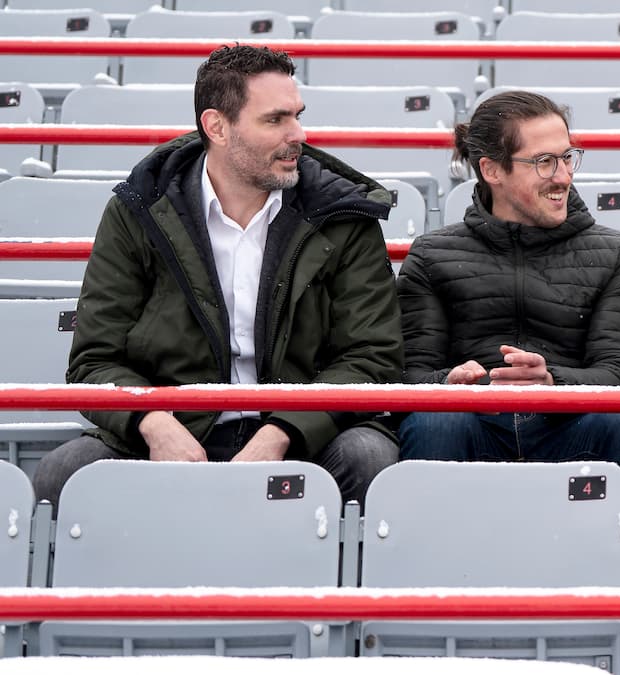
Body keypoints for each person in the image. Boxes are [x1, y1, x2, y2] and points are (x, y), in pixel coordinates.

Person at [32, 45, 405, 506]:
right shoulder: (140, 211)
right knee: (63, 474)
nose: (298, 134)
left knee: (369, 457)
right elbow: (93, 360)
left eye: (297, 116)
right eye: (275, 120)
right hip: (175, 428)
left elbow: (372, 356)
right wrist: (153, 421)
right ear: (217, 127)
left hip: (307, 434)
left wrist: (283, 430)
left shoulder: (343, 213)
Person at [394, 90, 620, 502]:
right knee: (435, 425)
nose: (563, 176)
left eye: (567, 157)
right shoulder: (431, 256)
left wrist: (552, 381)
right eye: (544, 162)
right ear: (491, 170)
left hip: (571, 426)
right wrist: (447, 383)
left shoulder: (617, 252)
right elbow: (407, 376)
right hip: (473, 423)